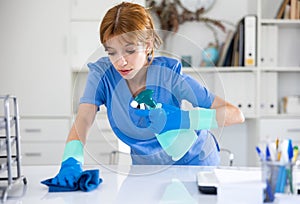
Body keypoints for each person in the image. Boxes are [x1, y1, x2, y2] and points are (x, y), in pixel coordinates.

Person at [44, 2, 244, 190]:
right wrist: (71, 160)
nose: (120, 61)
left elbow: (235, 114)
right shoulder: (102, 76)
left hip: (196, 163)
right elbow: (84, 118)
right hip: (146, 170)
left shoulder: (169, 76)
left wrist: (184, 119)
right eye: (111, 52)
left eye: (129, 50)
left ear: (148, 46)